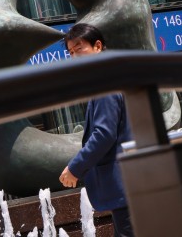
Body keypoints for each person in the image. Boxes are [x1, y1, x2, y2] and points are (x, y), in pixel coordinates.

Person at [58, 23, 134, 237]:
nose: (74, 56)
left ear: (98, 46)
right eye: (70, 52)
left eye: (79, 48)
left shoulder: (105, 82)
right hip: (129, 186)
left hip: (126, 188)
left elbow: (104, 134)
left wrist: (75, 168)